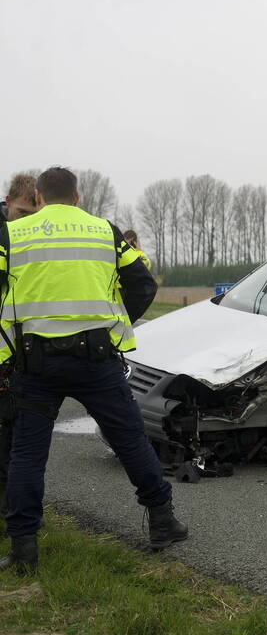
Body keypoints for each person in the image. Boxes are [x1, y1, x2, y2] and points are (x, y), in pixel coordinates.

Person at [0, 167, 188, 572]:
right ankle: (162, 522)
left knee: (27, 453)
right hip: (96, 358)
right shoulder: (105, 230)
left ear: (38, 196)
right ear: (78, 196)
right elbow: (142, 283)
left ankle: (23, 548)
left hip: (34, 362)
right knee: (130, 440)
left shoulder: (12, 235)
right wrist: (115, 320)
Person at [0, 173, 42, 515]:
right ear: (8, 203)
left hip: (19, 352)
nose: (26, 222)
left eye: (33, 215)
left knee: (13, 435)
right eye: (21, 213)